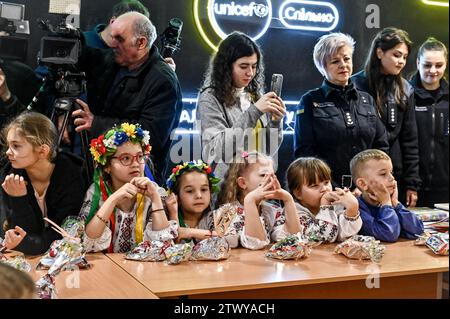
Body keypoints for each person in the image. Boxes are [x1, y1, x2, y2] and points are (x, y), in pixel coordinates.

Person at [73, 12, 183, 184]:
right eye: (112, 36)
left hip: (137, 181)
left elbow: (151, 134)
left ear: (141, 43)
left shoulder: (163, 81)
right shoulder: (113, 60)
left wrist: (97, 124)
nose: (112, 43)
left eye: (120, 39)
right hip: (101, 171)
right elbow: (86, 58)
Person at [294, 32, 388, 188]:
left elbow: (381, 146)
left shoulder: (367, 99)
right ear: (322, 66)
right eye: (335, 61)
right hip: (327, 190)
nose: (343, 65)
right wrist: (330, 187)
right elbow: (305, 154)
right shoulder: (310, 101)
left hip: (367, 189)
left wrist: (370, 183)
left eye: (346, 59)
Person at [197, 32, 285, 180]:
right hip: (228, 188)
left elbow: (268, 151)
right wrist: (254, 111)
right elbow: (216, 152)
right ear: (226, 66)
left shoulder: (254, 95)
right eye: (243, 66)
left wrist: (276, 122)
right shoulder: (210, 98)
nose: (250, 73)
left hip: (260, 183)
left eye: (254, 66)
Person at [79, 123, 178, 253]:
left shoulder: (154, 191)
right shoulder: (97, 192)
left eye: (140, 157)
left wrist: (155, 198)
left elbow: (164, 245)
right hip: (107, 267)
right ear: (107, 166)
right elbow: (87, 242)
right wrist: (112, 200)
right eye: (126, 158)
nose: (136, 164)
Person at [352, 27, 421, 207]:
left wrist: (412, 183)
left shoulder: (406, 89)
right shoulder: (355, 85)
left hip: (395, 177)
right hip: (363, 177)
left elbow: (410, 139)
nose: (401, 62)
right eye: (397, 55)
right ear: (380, 52)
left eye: (405, 57)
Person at [0, 112, 86, 255]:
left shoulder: (71, 174)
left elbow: (65, 233)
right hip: (28, 258)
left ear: (43, 151)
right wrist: (18, 199)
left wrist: (28, 244)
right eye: (8, 145)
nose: (8, 152)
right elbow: (20, 234)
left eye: (16, 146)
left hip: (68, 256)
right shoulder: (10, 175)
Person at [216, 152, 301, 250]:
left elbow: (293, 239)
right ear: (243, 183)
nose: (271, 180)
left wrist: (288, 199)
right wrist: (250, 201)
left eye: (273, 176)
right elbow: (256, 244)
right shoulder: (225, 213)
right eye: (263, 175)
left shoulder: (273, 210)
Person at [350, 149, 424, 242]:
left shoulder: (391, 204)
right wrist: (386, 204)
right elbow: (389, 234)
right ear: (363, 184)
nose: (392, 178)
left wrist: (396, 204)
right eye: (383, 174)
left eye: (391, 172)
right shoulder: (357, 210)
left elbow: (417, 231)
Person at [410, 37, 448, 207]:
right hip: (413, 190)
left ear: (446, 64)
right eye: (427, 65)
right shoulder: (405, 95)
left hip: (445, 189)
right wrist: (411, 183)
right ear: (418, 63)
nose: (433, 70)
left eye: (439, 65)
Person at [83, 0, 176, 71]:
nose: (137, 42)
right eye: (133, 31)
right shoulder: (79, 43)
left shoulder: (139, 55)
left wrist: (164, 73)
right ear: (114, 22)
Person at [286, 157, 362, 242]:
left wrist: (352, 209)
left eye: (326, 182)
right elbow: (324, 238)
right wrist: (325, 205)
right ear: (298, 193)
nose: (325, 188)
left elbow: (344, 237)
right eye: (314, 186)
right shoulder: (294, 212)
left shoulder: (336, 206)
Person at [164, 160, 221, 243]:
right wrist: (174, 214)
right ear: (176, 196)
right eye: (190, 191)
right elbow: (173, 247)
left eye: (204, 189)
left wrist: (189, 232)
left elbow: (224, 238)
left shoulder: (214, 218)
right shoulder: (166, 219)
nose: (199, 195)